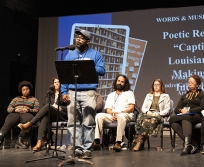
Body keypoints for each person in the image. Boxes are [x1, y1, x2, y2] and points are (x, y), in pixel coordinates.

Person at [61, 29, 105, 159]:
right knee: (73, 123)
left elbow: (102, 71)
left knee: (88, 122)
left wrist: (88, 65)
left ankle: (87, 150)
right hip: (72, 92)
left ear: (88, 41)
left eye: (81, 38)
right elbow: (64, 75)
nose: (78, 39)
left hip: (89, 92)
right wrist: (64, 92)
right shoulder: (69, 55)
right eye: (77, 37)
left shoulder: (95, 54)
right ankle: (77, 148)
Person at [18, 77, 68, 151]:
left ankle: (30, 124)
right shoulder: (49, 94)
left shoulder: (64, 94)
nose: (57, 83)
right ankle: (39, 142)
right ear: (53, 84)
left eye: (58, 82)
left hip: (61, 114)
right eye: (55, 82)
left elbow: (69, 107)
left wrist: (59, 107)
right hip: (51, 114)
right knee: (45, 117)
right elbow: (45, 105)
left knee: (48, 108)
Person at [93, 74, 135, 152]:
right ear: (116, 82)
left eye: (122, 82)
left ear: (125, 84)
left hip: (126, 114)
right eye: (118, 81)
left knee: (121, 116)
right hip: (113, 115)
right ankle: (97, 141)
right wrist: (113, 113)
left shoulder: (129, 93)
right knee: (99, 115)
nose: (120, 83)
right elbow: (107, 109)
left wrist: (120, 113)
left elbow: (131, 108)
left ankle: (118, 142)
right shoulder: (111, 95)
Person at [169, 75, 204, 156]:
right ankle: (192, 143)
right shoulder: (184, 96)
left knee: (186, 117)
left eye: (192, 82)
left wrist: (190, 111)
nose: (189, 84)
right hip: (186, 115)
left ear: (197, 84)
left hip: (198, 115)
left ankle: (187, 146)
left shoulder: (203, 94)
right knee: (172, 120)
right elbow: (177, 109)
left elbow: (203, 106)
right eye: (188, 82)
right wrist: (181, 110)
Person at [132, 79, 170, 151]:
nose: (156, 86)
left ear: (161, 86)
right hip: (149, 114)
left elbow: (167, 110)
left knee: (149, 121)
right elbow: (143, 107)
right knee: (142, 118)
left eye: (158, 85)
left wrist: (158, 113)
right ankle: (140, 141)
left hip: (159, 115)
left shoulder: (165, 96)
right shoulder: (148, 95)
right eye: (154, 85)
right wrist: (147, 112)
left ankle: (139, 141)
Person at [0, 81, 39, 149]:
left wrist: (28, 110)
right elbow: (9, 108)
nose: (26, 91)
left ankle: (19, 140)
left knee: (29, 119)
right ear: (21, 91)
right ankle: (0, 137)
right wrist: (15, 110)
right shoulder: (16, 99)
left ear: (30, 90)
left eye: (27, 89)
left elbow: (36, 110)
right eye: (24, 90)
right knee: (9, 120)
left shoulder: (34, 99)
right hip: (16, 113)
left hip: (27, 114)